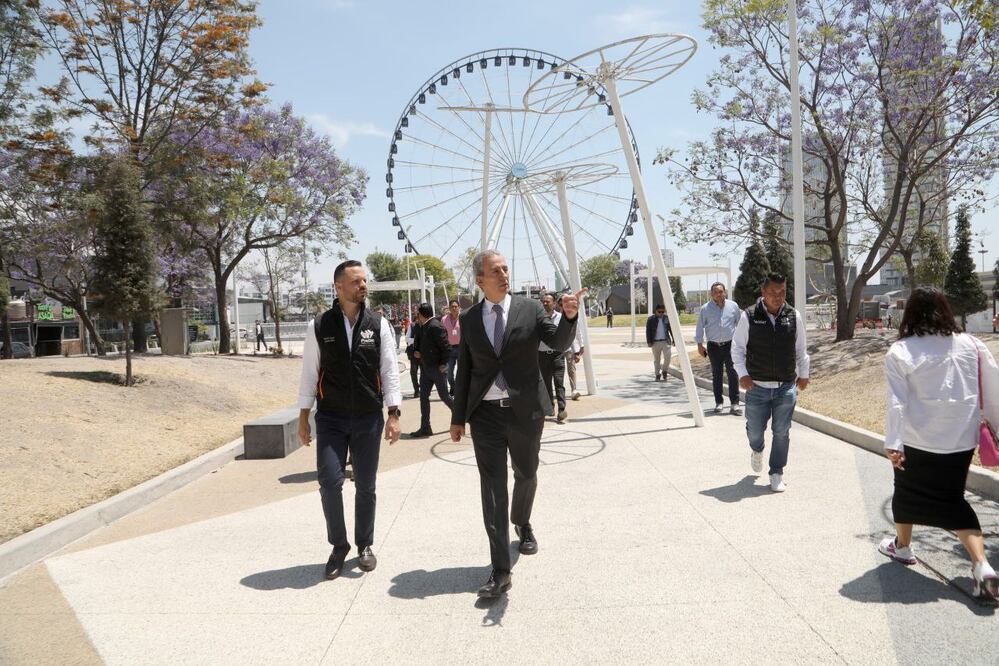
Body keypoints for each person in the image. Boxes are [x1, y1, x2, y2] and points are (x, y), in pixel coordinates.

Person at [449, 250, 582, 599]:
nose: (504, 275)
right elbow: (465, 370)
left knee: (526, 474)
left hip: (525, 412)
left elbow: (557, 342)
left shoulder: (531, 309)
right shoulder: (470, 318)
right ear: (480, 280)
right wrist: (458, 417)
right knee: (492, 490)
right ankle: (500, 570)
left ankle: (522, 522)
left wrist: (570, 317)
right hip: (486, 415)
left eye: (506, 269)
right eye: (496, 271)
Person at [878, 287, 999, 599]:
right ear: (946, 310)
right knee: (954, 501)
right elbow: (994, 391)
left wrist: (894, 441)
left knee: (906, 493)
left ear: (909, 314)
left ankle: (902, 548)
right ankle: (982, 565)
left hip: (917, 440)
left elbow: (897, 402)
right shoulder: (972, 345)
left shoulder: (901, 351)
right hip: (960, 440)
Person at [297, 260, 402, 581]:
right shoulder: (319, 326)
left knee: (366, 485)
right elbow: (309, 374)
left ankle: (365, 544)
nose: (363, 285)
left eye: (364, 280)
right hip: (330, 418)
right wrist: (304, 417)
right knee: (330, 482)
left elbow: (389, 370)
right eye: (356, 281)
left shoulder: (378, 324)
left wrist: (393, 413)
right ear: (338, 287)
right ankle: (339, 545)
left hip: (368, 418)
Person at [731, 274, 810, 493]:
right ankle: (757, 449)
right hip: (757, 387)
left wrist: (804, 373)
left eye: (782, 292)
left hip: (785, 387)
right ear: (763, 292)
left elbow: (801, 349)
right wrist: (742, 374)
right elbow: (737, 348)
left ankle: (776, 472)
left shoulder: (793, 315)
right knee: (755, 431)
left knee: (782, 431)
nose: (778, 296)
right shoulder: (749, 316)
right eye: (773, 292)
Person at [695, 282, 743, 415]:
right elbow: (700, 327)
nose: (718, 294)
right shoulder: (705, 309)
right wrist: (699, 344)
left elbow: (740, 325)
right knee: (717, 374)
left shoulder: (733, 306)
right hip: (713, 346)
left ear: (725, 292)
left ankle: (735, 404)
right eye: (715, 292)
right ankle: (719, 402)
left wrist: (742, 343)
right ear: (712, 294)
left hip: (730, 345)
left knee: (733, 373)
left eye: (720, 291)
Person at [410, 303, 454, 438]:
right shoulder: (422, 326)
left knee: (444, 396)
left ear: (422, 314)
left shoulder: (436, 326)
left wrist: (443, 364)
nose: (417, 316)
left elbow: (446, 348)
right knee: (423, 397)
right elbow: (422, 345)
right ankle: (425, 427)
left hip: (437, 369)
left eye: (418, 313)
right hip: (426, 368)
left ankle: (461, 415)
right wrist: (418, 352)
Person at [538, 293, 568, 424]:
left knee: (559, 382)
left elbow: (567, 334)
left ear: (554, 303)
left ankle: (562, 409)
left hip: (557, 355)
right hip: (542, 355)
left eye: (548, 301)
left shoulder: (561, 318)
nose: (545, 304)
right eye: (543, 301)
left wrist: (574, 349)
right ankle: (550, 407)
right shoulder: (538, 319)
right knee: (546, 383)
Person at [558, 294, 584, 401]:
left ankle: (574, 390)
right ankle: (559, 392)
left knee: (571, 369)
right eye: (562, 304)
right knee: (558, 372)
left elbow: (577, 332)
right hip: (557, 349)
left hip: (569, 348)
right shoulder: (555, 316)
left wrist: (581, 346)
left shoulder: (572, 316)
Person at [645, 304, 675, 382]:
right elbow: (648, 331)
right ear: (656, 311)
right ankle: (657, 374)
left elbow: (671, 329)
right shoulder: (651, 319)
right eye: (659, 312)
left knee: (668, 357)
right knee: (657, 360)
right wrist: (649, 341)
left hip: (666, 341)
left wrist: (674, 340)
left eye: (663, 312)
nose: (661, 313)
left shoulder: (666, 318)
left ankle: (664, 371)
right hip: (655, 342)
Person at [441, 299, 462, 396]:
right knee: (449, 373)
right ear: (449, 308)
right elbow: (441, 334)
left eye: (455, 306)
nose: (454, 308)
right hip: (449, 349)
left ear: (459, 307)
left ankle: (458, 389)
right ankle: (453, 386)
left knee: (461, 371)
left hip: (461, 348)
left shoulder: (463, 318)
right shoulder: (444, 319)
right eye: (452, 307)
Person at [404, 316, 421, 399]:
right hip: (413, 353)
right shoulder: (412, 326)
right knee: (413, 372)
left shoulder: (427, 326)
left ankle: (423, 387)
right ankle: (416, 390)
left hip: (425, 353)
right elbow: (407, 339)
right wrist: (416, 340)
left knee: (426, 372)